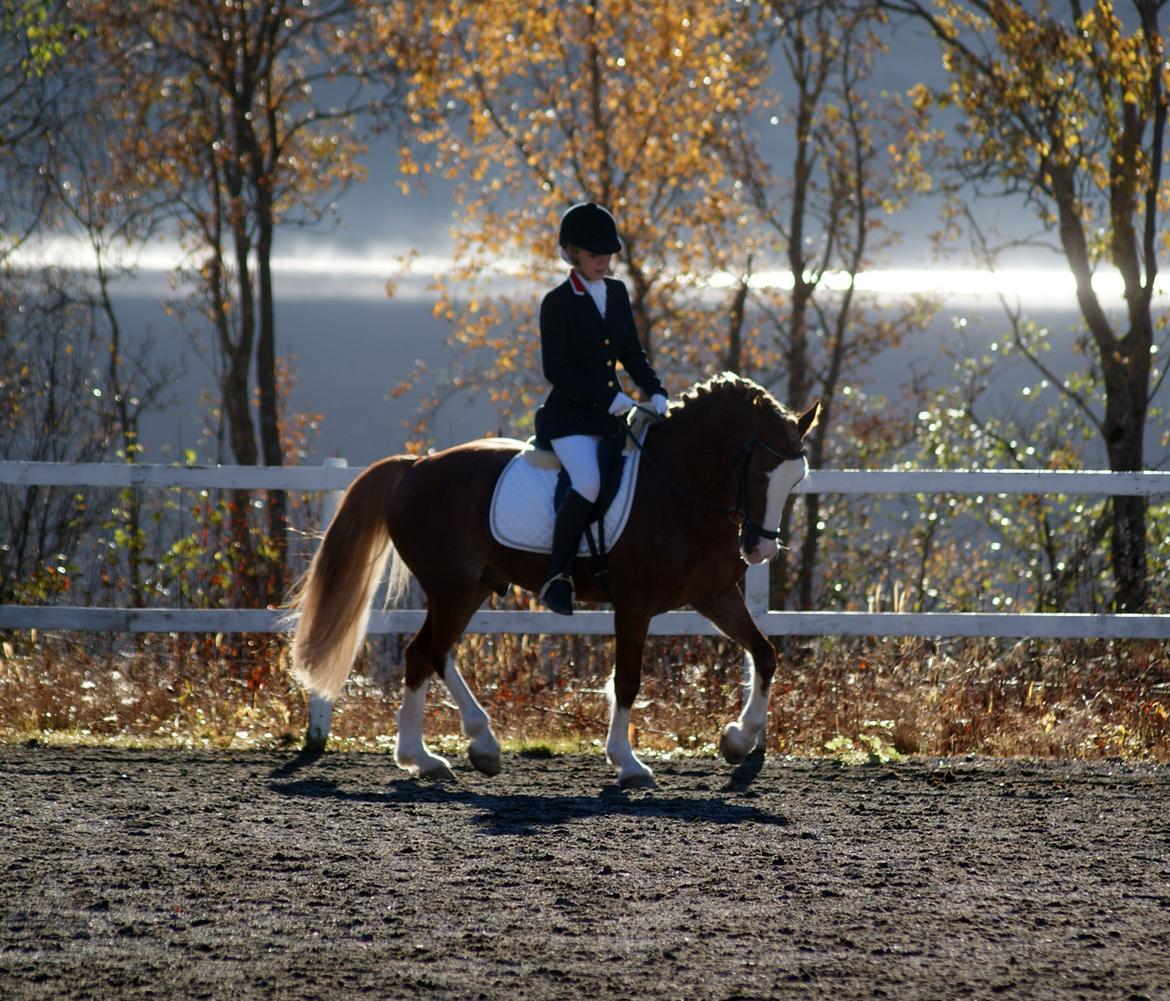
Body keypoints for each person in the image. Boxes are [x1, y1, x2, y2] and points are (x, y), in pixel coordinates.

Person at [533, 202, 669, 615]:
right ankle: (558, 576)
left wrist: (655, 389)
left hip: (610, 417)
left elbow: (630, 351)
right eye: (594, 256)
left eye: (608, 256)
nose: (603, 263)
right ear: (572, 252)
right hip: (570, 419)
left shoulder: (617, 292)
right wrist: (607, 397)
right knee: (588, 483)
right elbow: (556, 369)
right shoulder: (557, 303)